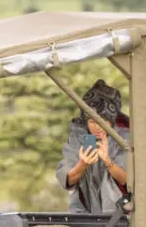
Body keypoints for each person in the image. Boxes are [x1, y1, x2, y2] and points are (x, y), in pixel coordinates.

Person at [55, 79, 130, 214]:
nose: (97, 127)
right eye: (92, 121)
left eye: (103, 121)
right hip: (86, 212)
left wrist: (108, 161)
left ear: (111, 121)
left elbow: (126, 179)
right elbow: (67, 179)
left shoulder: (125, 138)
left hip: (121, 213)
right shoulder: (78, 137)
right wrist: (82, 164)